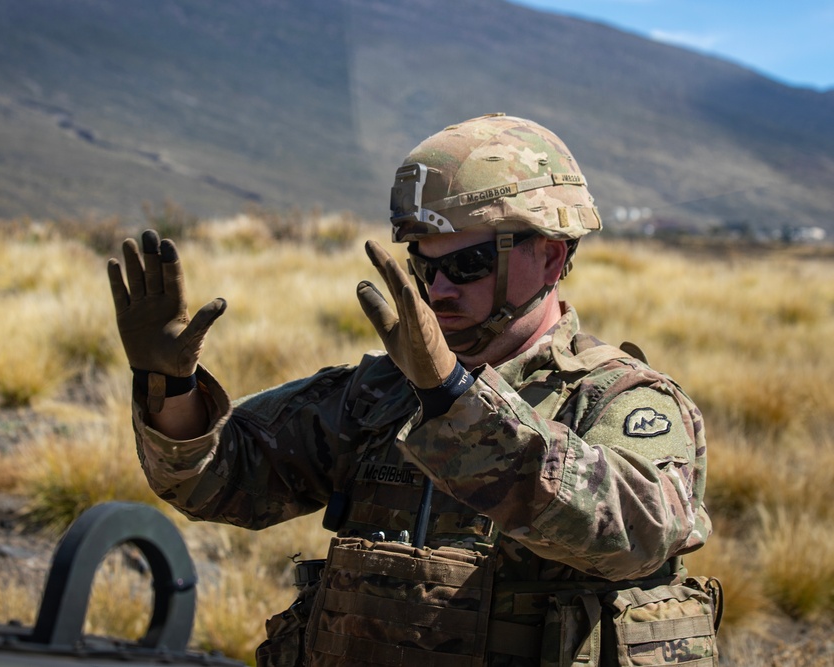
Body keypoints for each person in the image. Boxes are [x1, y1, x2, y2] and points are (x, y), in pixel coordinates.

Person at [107, 113, 719, 667]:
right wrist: (173, 388)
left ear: (552, 257)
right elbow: (222, 481)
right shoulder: (380, 394)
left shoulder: (623, 401)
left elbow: (637, 538)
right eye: (424, 265)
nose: (440, 289)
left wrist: (454, 398)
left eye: (469, 264)